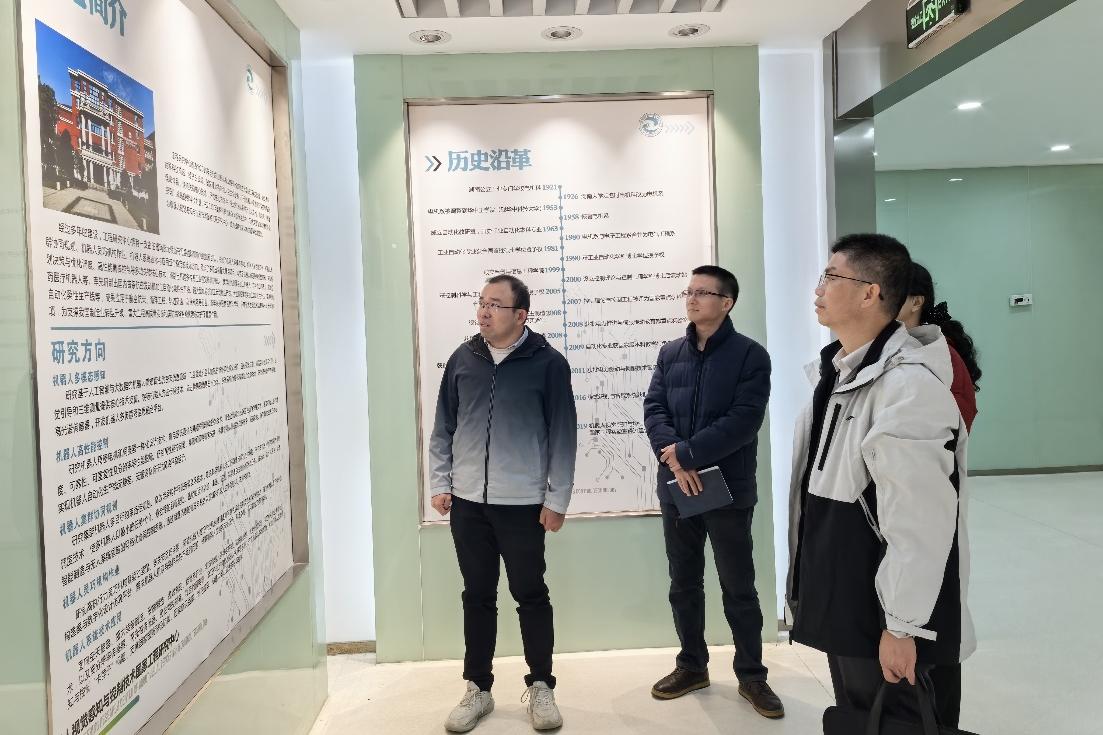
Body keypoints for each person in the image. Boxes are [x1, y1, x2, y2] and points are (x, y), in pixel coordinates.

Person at [786, 234, 974, 725]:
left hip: (886, 611)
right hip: (850, 598)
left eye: (831, 276)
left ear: (870, 293)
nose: (818, 288)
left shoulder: (907, 387)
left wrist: (903, 625)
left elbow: (920, 522)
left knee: (902, 721)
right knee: (861, 717)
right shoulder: (839, 373)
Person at [429, 274, 577, 733]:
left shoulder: (548, 364)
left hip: (523, 504)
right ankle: (478, 687)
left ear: (521, 314)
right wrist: (440, 481)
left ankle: (541, 685)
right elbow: (443, 427)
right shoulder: (464, 358)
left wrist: (557, 499)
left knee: (530, 594)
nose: (484, 311)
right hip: (468, 503)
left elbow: (563, 435)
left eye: (495, 304)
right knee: (477, 595)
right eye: (482, 302)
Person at [643, 265, 784, 719]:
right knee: (683, 582)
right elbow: (654, 408)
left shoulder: (750, 356)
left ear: (727, 303)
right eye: (690, 291)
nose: (692, 298)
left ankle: (752, 675)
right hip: (677, 488)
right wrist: (674, 458)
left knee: (738, 585)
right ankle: (692, 666)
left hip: (726, 488)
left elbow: (744, 420)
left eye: (703, 292)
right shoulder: (670, 353)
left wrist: (687, 453)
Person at [896, 261, 983, 727]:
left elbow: (951, 431)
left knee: (933, 625)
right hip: (895, 515)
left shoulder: (937, 358)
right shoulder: (879, 356)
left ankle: (940, 723)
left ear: (915, 302)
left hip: (928, 507)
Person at [898, 262, 982, 432]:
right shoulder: (889, 345)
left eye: (890, 292)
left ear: (916, 302)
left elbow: (957, 421)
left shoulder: (939, 352)